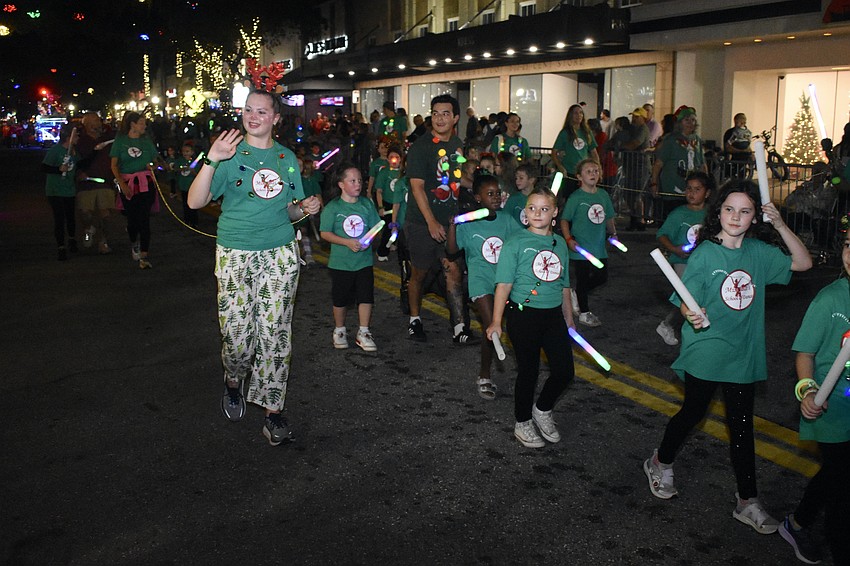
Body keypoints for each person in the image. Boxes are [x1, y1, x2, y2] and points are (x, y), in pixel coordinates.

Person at [643, 179, 812, 535]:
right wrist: (691, 313)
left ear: (754, 217)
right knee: (693, 412)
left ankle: (747, 500)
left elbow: (802, 262)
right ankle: (660, 461)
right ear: (717, 212)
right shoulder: (705, 253)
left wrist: (779, 224)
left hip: (743, 353)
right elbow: (687, 302)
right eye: (729, 209)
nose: (736, 216)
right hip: (707, 347)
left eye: (745, 210)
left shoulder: (758, 254)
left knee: (741, 428)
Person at [187, 90, 322, 446]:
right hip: (235, 252)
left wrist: (306, 207)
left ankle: (273, 411)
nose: (253, 116)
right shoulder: (228, 153)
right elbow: (195, 200)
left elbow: (290, 211)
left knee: (275, 333)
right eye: (248, 109)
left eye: (262, 111)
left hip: (279, 251)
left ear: (276, 118)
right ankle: (234, 381)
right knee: (237, 338)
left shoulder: (286, 157)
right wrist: (212, 159)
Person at [486, 187, 576, 448]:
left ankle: (543, 408)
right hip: (523, 315)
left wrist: (568, 318)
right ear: (525, 212)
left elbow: (565, 286)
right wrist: (495, 321)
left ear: (555, 213)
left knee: (565, 371)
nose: (538, 213)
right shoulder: (515, 243)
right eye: (532, 208)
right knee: (529, 370)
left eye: (544, 209)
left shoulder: (559, 244)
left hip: (552, 316)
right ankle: (522, 421)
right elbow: (503, 284)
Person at [781, 234, 850, 564]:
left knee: (836, 473)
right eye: (849, 244)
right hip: (833, 407)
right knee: (842, 485)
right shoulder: (830, 301)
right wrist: (807, 390)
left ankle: (798, 522)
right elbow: (804, 353)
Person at [404, 93, 473, 343]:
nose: (440, 118)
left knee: (454, 271)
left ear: (455, 117)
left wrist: (481, 185)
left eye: (445, 113)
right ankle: (414, 319)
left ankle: (459, 328)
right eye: (435, 113)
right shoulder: (421, 147)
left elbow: (456, 177)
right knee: (419, 274)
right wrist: (431, 222)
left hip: (451, 221)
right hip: (422, 222)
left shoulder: (457, 143)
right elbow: (417, 187)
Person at [447, 174, 518, 400]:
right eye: (490, 194)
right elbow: (451, 251)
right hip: (481, 282)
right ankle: (484, 375)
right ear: (478, 198)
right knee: (491, 327)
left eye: (497, 193)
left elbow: (523, 241)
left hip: (505, 281)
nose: (496, 197)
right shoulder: (468, 224)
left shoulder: (507, 220)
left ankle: (524, 372)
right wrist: (452, 225)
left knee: (515, 329)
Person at [319, 163, 381, 352]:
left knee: (366, 296)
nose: (357, 184)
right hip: (341, 263)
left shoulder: (366, 204)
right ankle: (339, 330)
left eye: (359, 181)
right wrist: (346, 242)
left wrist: (369, 240)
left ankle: (363, 331)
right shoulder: (333, 207)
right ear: (341, 184)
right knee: (341, 299)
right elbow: (325, 233)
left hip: (363, 261)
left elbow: (376, 226)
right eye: (352, 181)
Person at [654, 171, 713, 346]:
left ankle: (696, 328)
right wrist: (674, 249)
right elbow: (662, 235)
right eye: (688, 189)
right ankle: (668, 324)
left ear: (707, 193)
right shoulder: (679, 214)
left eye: (697, 189)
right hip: (683, 262)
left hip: (704, 263)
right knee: (687, 297)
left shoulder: (712, 214)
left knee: (700, 297)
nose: (692, 193)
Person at [560, 159, 617, 327]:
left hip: (598, 247)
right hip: (581, 247)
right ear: (579, 176)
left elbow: (608, 217)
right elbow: (564, 220)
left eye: (596, 171)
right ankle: (584, 313)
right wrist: (569, 239)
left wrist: (613, 233)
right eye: (588, 171)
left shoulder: (603, 195)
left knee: (601, 277)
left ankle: (577, 294)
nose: (593, 174)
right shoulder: (576, 197)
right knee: (583, 279)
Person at [110, 111, 163, 269]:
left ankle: (144, 255)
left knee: (144, 219)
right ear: (133, 124)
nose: (144, 126)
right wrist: (122, 184)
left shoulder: (146, 141)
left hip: (146, 183)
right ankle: (134, 242)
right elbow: (114, 165)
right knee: (132, 220)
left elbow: (155, 161)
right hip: (128, 183)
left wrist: (153, 166)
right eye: (142, 123)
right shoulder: (120, 141)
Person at [650, 105, 707, 220]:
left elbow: (702, 164)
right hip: (673, 190)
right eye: (687, 120)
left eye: (693, 120)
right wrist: (654, 183)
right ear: (680, 122)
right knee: (672, 217)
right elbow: (658, 164)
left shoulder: (697, 140)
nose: (690, 123)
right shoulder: (671, 140)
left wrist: (705, 183)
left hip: (692, 191)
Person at [75, 112, 115, 255]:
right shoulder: (80, 141)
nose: (97, 124)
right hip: (86, 183)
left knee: (106, 215)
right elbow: (75, 161)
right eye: (93, 122)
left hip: (105, 182)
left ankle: (103, 241)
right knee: (86, 213)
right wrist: (79, 172)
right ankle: (89, 228)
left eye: (98, 121)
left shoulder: (108, 139)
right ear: (86, 125)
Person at [42, 123, 78, 261]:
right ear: (69, 137)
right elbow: (44, 167)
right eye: (76, 136)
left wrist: (95, 151)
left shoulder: (74, 151)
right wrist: (58, 170)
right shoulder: (55, 151)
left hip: (69, 189)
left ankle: (72, 239)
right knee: (59, 218)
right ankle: (61, 246)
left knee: (70, 217)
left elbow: (79, 164)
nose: (78, 138)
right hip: (55, 190)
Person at [551, 104, 600, 201]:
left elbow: (594, 152)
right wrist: (560, 167)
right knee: (570, 198)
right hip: (569, 171)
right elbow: (554, 152)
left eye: (581, 113)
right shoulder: (565, 133)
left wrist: (597, 167)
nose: (579, 115)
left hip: (584, 172)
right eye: (576, 113)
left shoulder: (587, 132)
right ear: (570, 115)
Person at [622, 107, 651, 231]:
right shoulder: (633, 130)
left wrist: (621, 146)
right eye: (633, 116)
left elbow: (635, 144)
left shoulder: (643, 129)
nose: (633, 119)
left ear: (643, 118)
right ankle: (635, 218)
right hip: (632, 166)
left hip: (641, 166)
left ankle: (639, 219)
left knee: (637, 194)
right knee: (629, 193)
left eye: (637, 117)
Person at [373, 145, 403, 261]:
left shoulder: (403, 173)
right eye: (391, 157)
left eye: (397, 157)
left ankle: (395, 245)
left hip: (400, 204)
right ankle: (382, 251)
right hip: (388, 204)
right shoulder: (384, 173)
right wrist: (380, 207)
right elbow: (379, 191)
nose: (394, 160)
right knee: (388, 228)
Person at [174, 142, 199, 228]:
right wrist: (181, 168)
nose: (185, 153)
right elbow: (175, 169)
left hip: (192, 186)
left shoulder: (195, 162)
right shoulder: (180, 160)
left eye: (187, 151)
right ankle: (187, 220)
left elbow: (198, 175)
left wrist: (193, 171)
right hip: (183, 186)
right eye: (184, 151)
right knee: (185, 204)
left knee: (193, 204)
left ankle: (194, 221)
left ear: (192, 152)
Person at [504, 163, 536, 227]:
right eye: (516, 178)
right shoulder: (513, 199)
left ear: (531, 180)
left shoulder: (539, 198)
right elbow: (505, 218)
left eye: (521, 178)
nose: (517, 181)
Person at [723, 113, 753, 178]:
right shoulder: (731, 132)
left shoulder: (747, 133)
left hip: (743, 162)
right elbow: (727, 146)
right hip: (733, 161)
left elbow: (748, 144)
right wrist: (740, 151)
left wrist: (751, 153)